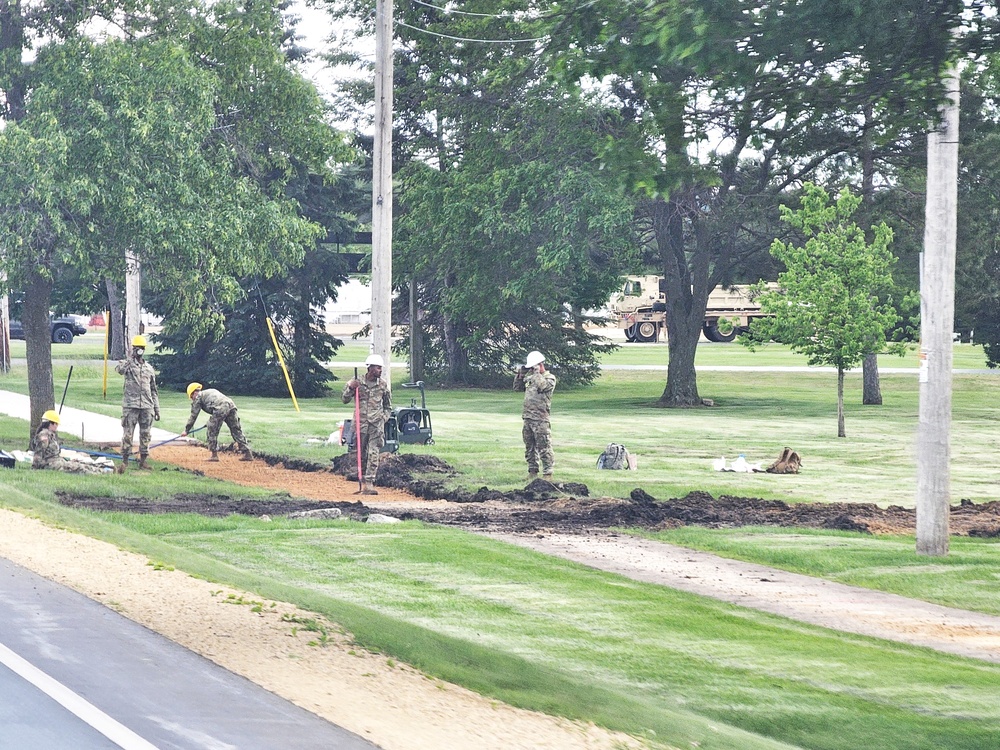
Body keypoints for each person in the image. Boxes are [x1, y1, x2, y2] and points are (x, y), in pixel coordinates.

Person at [341, 354, 391, 495]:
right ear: (370, 368)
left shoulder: (382, 385)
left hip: (376, 425)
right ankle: (362, 479)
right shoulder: (357, 383)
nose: (380, 370)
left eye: (381, 367)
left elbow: (388, 406)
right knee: (360, 453)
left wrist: (384, 418)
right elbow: (344, 399)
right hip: (360, 424)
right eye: (378, 367)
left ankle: (369, 482)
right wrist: (350, 388)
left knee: (373, 452)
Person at [115, 334, 160, 471]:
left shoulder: (149, 368)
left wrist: (156, 409)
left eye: (141, 348)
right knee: (128, 434)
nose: (139, 351)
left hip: (147, 406)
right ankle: (125, 460)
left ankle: (143, 461)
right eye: (137, 348)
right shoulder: (127, 365)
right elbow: (119, 370)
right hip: (131, 405)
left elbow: (153, 390)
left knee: (146, 434)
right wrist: (131, 358)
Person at [513, 350, 556, 481]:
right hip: (528, 417)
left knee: (544, 446)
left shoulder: (550, 378)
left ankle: (548, 473)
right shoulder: (531, 377)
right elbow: (517, 388)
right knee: (529, 446)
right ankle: (532, 471)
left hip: (540, 419)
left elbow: (543, 386)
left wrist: (537, 373)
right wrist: (521, 375)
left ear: (540, 364)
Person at [182, 383, 253, 462]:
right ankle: (248, 453)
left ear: (194, 392)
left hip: (220, 408)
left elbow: (194, 415)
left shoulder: (198, 397)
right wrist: (212, 421)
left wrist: (186, 430)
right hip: (231, 405)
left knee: (211, 430)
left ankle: (214, 455)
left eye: (191, 397)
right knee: (236, 429)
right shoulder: (209, 391)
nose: (192, 399)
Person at [31, 410, 104, 474]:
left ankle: (103, 471)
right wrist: (35, 467)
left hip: (57, 461)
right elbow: (39, 453)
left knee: (80, 465)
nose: (57, 426)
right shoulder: (44, 436)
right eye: (56, 424)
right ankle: (100, 473)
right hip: (50, 464)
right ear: (51, 423)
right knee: (79, 469)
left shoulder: (50, 435)